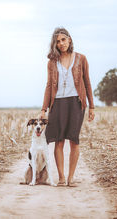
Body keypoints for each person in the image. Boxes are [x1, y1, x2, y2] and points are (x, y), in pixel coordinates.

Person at [40, 27, 95, 187]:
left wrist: (92, 106)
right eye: (57, 41)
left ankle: (71, 178)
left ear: (69, 40)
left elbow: (87, 82)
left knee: (74, 140)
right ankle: (61, 177)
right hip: (57, 103)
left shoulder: (81, 59)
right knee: (59, 141)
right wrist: (44, 109)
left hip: (76, 103)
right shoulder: (52, 63)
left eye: (63, 39)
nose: (61, 43)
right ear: (55, 44)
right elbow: (49, 86)